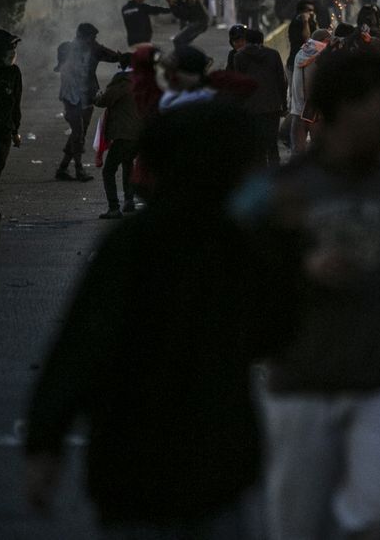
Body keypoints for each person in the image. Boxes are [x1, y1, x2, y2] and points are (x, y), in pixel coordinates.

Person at [24, 102, 268, 536]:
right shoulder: (214, 246)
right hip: (194, 466)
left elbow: (78, 346)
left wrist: (46, 442)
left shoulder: (148, 242)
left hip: (140, 465)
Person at [233, 50, 380, 540]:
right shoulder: (284, 189)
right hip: (302, 384)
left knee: (378, 519)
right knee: (298, 527)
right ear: (344, 107)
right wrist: (303, 269)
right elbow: (235, 280)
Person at [55, 23, 120, 183]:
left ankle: (63, 168)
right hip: (71, 97)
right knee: (78, 133)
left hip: (87, 97)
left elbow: (113, 57)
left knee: (80, 134)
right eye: (91, 38)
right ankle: (79, 169)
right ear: (81, 37)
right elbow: (61, 68)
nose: (93, 41)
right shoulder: (65, 49)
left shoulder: (94, 49)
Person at [231, 29, 288, 167]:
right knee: (272, 143)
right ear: (262, 40)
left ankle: (261, 177)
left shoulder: (239, 56)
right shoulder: (273, 54)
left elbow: (239, 83)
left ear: (247, 40)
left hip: (251, 106)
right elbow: (282, 80)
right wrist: (284, 104)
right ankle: (275, 176)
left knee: (258, 145)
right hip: (272, 105)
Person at [94, 54, 142, 219]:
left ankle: (114, 208)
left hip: (124, 134)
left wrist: (97, 96)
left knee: (109, 171)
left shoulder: (123, 81)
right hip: (139, 134)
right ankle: (129, 201)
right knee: (128, 164)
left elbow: (104, 100)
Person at [0, 29, 23, 244]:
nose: (13, 52)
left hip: (2, 133)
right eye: (9, 48)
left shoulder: (14, 73)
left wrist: (15, 132)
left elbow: (16, 105)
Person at [289, 29, 330, 155]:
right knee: (319, 152)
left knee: (297, 151)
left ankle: (297, 174)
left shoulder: (300, 54)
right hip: (316, 112)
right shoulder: (323, 58)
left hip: (298, 111)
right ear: (325, 41)